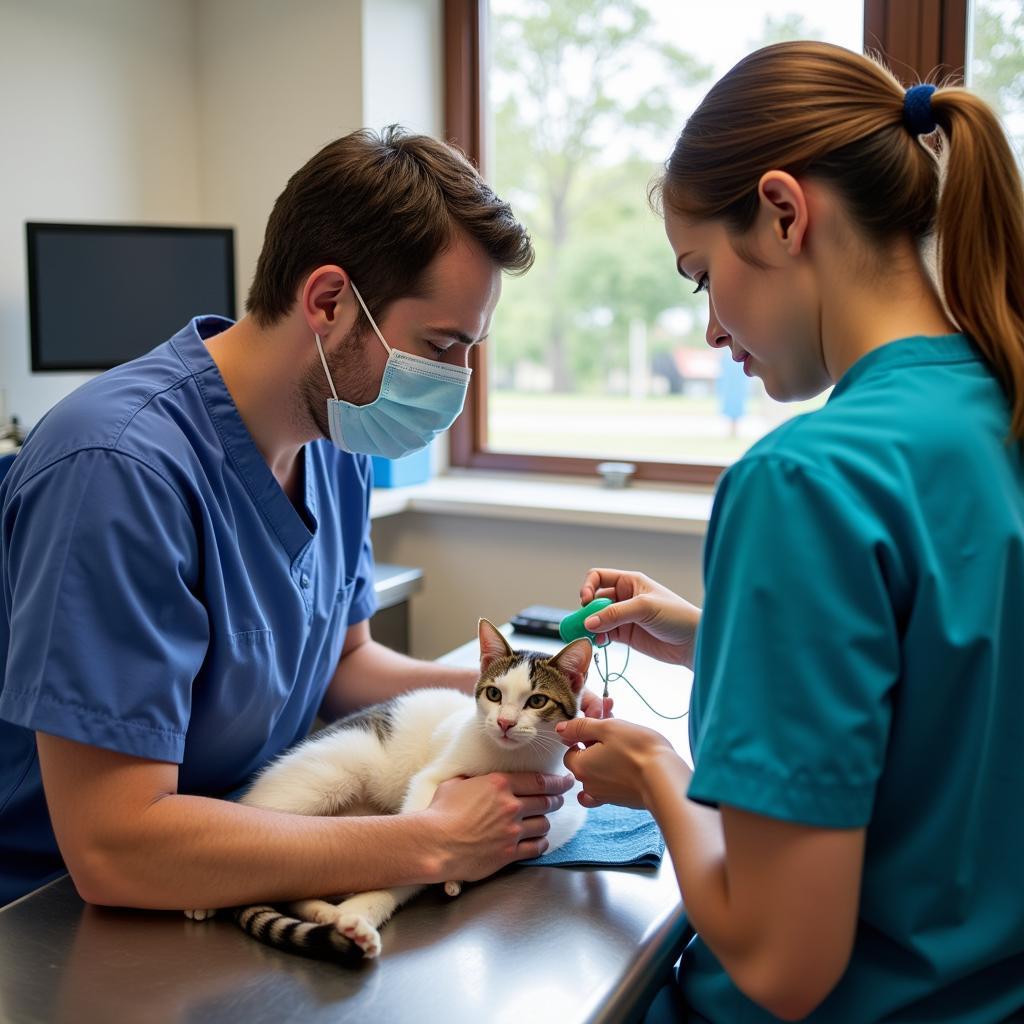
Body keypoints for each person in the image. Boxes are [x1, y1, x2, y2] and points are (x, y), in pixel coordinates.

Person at [0, 126, 604, 910]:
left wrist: (516, 696)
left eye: (470, 351)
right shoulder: (117, 470)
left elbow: (344, 665)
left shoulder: (338, 435)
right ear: (327, 302)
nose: (456, 383)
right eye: (440, 345)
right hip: (54, 916)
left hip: (248, 852)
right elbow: (116, 849)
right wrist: (430, 839)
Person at [557, 42, 1024, 1023]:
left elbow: (781, 960)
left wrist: (651, 769)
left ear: (781, 211)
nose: (715, 330)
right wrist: (710, 630)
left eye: (699, 276)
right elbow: (955, 665)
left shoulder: (803, 481)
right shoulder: (998, 408)